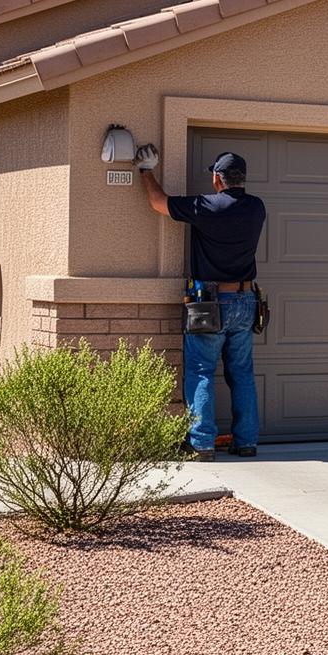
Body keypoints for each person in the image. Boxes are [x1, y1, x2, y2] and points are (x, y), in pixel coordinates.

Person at [139, 146, 267, 460]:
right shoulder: (257, 207)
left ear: (216, 179)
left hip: (211, 303)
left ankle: (201, 444)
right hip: (246, 300)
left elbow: (158, 202)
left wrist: (145, 170)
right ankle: (246, 442)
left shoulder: (207, 207)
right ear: (242, 179)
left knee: (200, 371)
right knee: (242, 373)